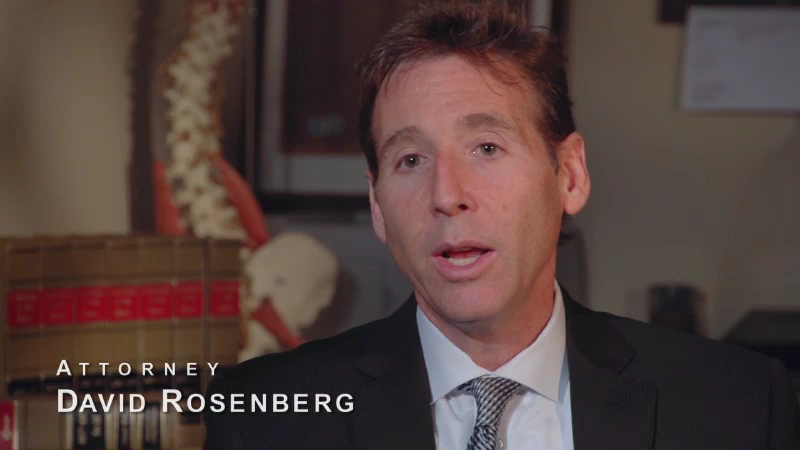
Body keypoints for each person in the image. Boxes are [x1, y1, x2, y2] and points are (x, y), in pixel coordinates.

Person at [204, 1, 800, 448]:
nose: (447, 195)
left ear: (570, 176)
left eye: (486, 148)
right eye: (410, 160)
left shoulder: (737, 404)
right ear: (378, 207)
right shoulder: (263, 418)